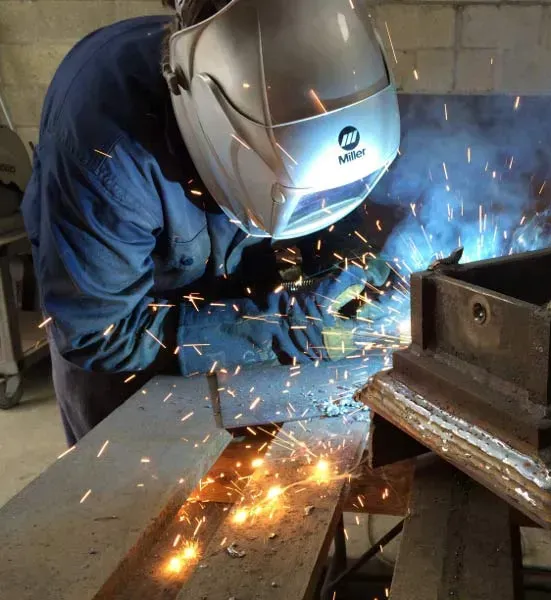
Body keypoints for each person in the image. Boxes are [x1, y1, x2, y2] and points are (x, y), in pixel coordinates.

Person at [21, 0, 400, 444]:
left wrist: (345, 266)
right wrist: (283, 329)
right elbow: (99, 335)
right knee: (133, 479)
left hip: (243, 294)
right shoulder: (107, 156)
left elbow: (329, 206)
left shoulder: (307, 82)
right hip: (128, 336)